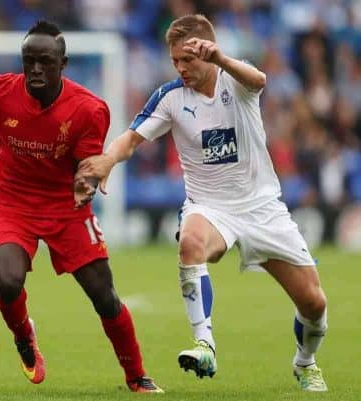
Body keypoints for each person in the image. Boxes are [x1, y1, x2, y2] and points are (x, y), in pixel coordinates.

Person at [0, 20, 162, 393]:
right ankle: (24, 337)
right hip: (11, 205)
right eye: (29, 60)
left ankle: (136, 376)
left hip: (64, 208)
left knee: (104, 295)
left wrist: (84, 187)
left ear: (63, 64)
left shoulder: (89, 110)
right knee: (7, 280)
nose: (35, 69)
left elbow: (87, 167)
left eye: (45, 61)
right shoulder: (2, 92)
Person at [77, 14, 328, 392]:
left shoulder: (236, 82)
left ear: (207, 54)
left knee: (314, 304)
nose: (180, 68)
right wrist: (107, 161)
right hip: (210, 207)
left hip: (262, 208)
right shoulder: (171, 97)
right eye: (174, 60)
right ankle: (204, 343)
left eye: (187, 60)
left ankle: (305, 361)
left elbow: (259, 80)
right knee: (190, 241)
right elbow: (129, 139)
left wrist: (222, 58)